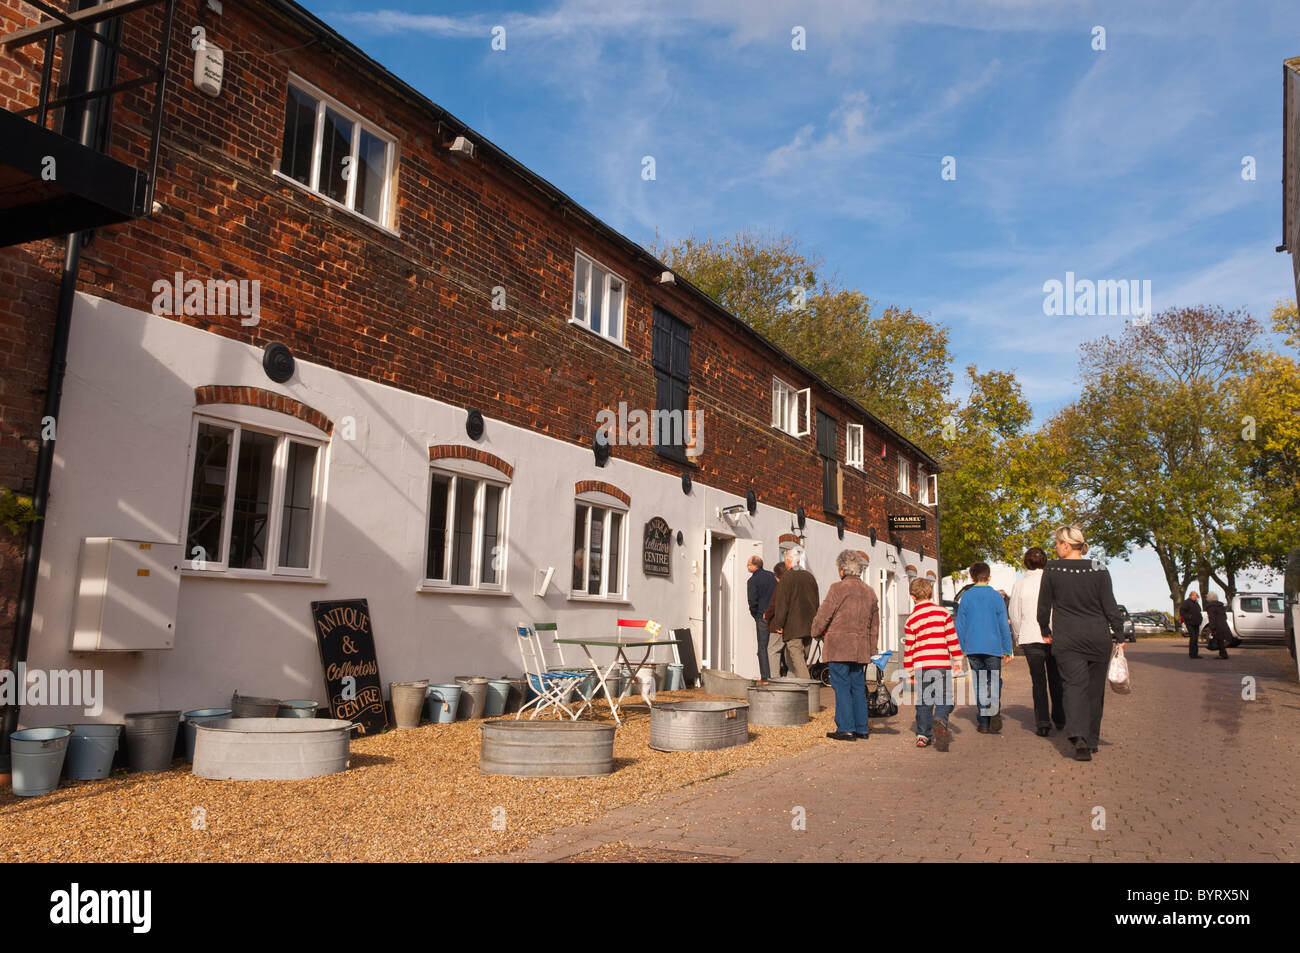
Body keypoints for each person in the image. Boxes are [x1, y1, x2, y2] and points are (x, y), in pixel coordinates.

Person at [1036, 525, 1124, 762]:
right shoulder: (1099, 567)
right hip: (1098, 637)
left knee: (1074, 687)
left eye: (1056, 543)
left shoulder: (1053, 568)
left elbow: (1044, 605)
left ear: (1066, 545)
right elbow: (1110, 605)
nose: (1055, 548)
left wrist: (1044, 628)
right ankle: (1092, 740)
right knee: (1095, 691)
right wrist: (1120, 633)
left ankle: (1078, 736)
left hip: (1068, 638)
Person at [810, 550, 878, 741]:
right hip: (861, 647)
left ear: (842, 569)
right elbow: (875, 625)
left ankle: (846, 727)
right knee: (857, 686)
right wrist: (873, 649)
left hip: (839, 646)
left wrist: (815, 631)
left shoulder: (837, 589)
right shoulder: (870, 592)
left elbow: (824, 615)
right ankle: (861, 728)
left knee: (841, 687)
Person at [1008, 546, 1064, 736]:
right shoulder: (1055, 580)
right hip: (1054, 636)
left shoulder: (1020, 584)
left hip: (1030, 637)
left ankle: (1042, 721)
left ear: (1026, 562)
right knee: (1056, 678)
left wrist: (1018, 635)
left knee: (1038, 681)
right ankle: (1060, 716)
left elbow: (1014, 613)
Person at [903, 577, 963, 750]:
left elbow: (909, 647)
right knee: (945, 697)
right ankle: (940, 719)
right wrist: (957, 660)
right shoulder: (943, 613)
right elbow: (952, 638)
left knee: (923, 701)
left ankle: (923, 735)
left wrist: (909, 671)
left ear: (912, 597)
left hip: (921, 666)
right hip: (941, 664)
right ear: (931, 593)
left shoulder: (911, 619)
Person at [955, 562, 1014, 734]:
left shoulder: (966, 596)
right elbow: (1003, 623)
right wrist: (1007, 648)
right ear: (989, 577)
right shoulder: (996, 596)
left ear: (971, 578)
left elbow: (961, 624)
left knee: (979, 683)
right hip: (993, 646)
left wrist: (961, 648)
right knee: (994, 680)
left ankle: (983, 721)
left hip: (973, 647)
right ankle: (994, 708)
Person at [768, 547, 819, 680]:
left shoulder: (787, 578)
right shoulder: (810, 577)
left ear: (789, 561)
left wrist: (779, 624)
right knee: (802, 659)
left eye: (785, 561)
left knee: (798, 661)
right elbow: (816, 601)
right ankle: (796, 689)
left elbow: (782, 604)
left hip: (793, 627)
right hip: (809, 626)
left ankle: (808, 691)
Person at [746, 556, 778, 681]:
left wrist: (756, 615)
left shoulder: (752, 581)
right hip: (775, 615)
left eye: (748, 564)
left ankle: (765, 677)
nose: (747, 567)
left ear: (755, 566)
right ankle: (777, 674)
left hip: (762, 616)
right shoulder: (772, 576)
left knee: (762, 648)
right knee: (775, 647)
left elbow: (752, 602)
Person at [1204, 593, 1231, 659]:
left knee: (1219, 640)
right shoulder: (1221, 606)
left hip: (1216, 625)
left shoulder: (1210, 607)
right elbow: (1225, 616)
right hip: (1223, 624)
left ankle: (1223, 654)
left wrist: (1212, 627)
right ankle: (1223, 654)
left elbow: (1212, 617)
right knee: (1220, 640)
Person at [1180, 590, 1203, 659]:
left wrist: (1200, 619)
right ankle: (1192, 654)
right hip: (1190, 623)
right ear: (1190, 596)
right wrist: (1189, 617)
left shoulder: (1196, 604)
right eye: (1194, 595)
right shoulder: (1186, 603)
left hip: (1197, 623)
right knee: (1193, 638)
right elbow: (1182, 612)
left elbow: (1199, 612)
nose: (1195, 597)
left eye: (1196, 596)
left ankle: (1195, 654)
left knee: (1196, 639)